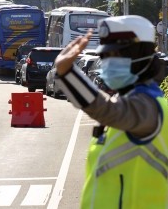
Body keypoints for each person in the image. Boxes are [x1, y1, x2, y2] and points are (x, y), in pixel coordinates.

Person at [54, 15, 168, 208]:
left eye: (115, 56)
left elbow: (107, 110)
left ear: (139, 56)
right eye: (105, 56)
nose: (107, 63)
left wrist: (67, 74)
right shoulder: (126, 100)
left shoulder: (148, 107)